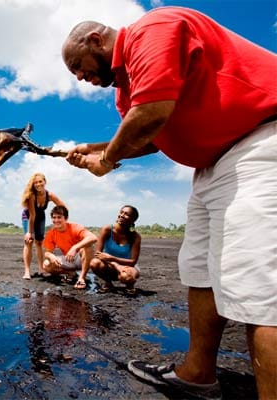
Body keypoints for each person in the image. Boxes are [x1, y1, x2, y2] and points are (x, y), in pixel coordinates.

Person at [61, 6, 276, 400]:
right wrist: (95, 148)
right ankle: (198, 373)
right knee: (199, 270)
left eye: (79, 65)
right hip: (212, 166)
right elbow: (150, 137)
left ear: (96, 40)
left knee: (262, 289)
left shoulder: (151, 30)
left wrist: (106, 160)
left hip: (260, 142)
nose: (79, 77)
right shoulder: (125, 92)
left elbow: (151, 115)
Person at [21, 173, 66, 280]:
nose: (38, 184)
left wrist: (60, 219)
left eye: (40, 181)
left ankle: (41, 269)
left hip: (41, 216)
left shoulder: (50, 195)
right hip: (28, 217)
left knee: (39, 242)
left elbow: (63, 207)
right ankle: (27, 271)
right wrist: (29, 232)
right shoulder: (32, 196)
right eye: (35, 183)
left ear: (45, 181)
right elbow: (32, 215)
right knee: (29, 242)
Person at [41, 205, 97, 289]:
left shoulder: (74, 227)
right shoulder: (51, 233)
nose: (56, 220)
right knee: (46, 264)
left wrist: (75, 248)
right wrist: (51, 256)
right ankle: (71, 273)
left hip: (82, 258)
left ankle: (82, 277)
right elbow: (47, 252)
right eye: (54, 217)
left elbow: (93, 238)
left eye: (59, 217)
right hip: (69, 259)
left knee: (88, 246)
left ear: (66, 218)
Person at [90, 205, 141, 295]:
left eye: (126, 214)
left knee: (127, 276)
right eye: (121, 212)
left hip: (128, 266)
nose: (121, 215)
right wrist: (116, 264)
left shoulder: (135, 237)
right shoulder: (107, 229)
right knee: (95, 263)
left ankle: (129, 285)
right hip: (108, 265)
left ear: (133, 220)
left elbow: (133, 261)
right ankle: (108, 283)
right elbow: (98, 254)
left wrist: (112, 258)